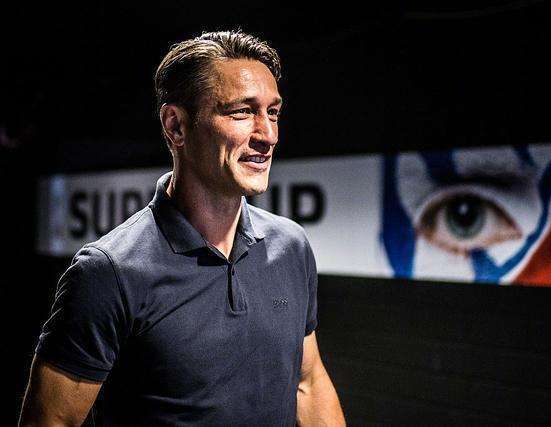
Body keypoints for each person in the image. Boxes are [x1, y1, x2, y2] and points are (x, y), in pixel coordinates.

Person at [20, 30, 345, 426]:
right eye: (242, 112)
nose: (268, 135)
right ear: (176, 126)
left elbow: (308, 383)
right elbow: (51, 420)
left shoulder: (290, 246)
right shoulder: (109, 272)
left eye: (272, 112)